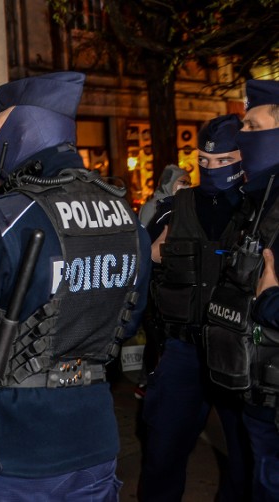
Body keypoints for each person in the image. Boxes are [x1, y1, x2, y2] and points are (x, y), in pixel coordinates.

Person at [0, 71, 152, 501]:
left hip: (9, 455)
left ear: (19, 127)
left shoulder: (8, 219)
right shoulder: (126, 219)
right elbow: (125, 325)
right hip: (93, 448)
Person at [138, 114, 251, 502]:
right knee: (162, 454)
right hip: (183, 352)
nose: (212, 168)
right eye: (204, 161)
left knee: (246, 463)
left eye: (223, 161)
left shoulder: (258, 211)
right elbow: (135, 269)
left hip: (240, 357)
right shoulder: (174, 208)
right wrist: (149, 256)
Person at [204, 78, 279, 501]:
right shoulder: (261, 199)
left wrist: (270, 300)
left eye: (253, 126)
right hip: (261, 389)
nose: (243, 136)